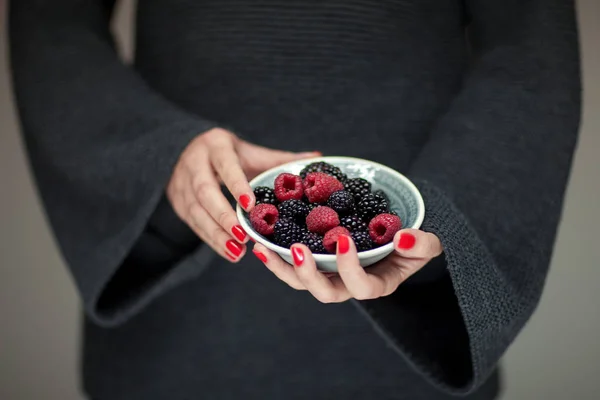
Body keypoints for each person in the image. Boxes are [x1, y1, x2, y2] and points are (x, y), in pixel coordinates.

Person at [9, 0, 581, 399]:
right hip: (179, 313)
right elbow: (52, 25)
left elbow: (530, 51)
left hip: (409, 304)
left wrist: (441, 223)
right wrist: (157, 156)